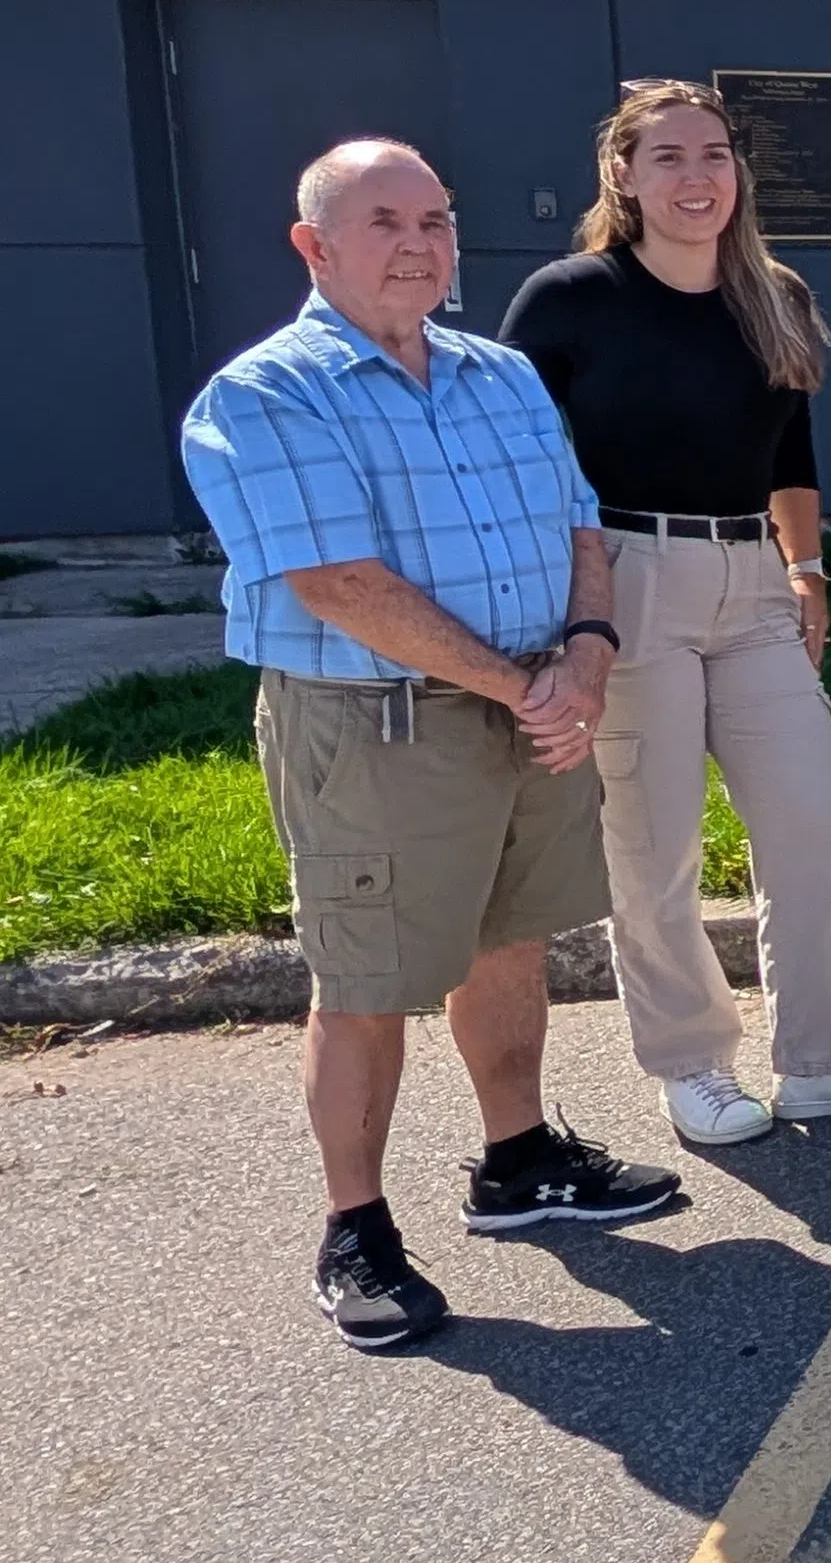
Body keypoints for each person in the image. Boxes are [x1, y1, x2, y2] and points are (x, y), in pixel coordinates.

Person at [180, 139, 681, 1353]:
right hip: (378, 725)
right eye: (386, 223)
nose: (420, 247)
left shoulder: (499, 375)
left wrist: (586, 657)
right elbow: (339, 583)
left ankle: (519, 1159)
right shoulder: (267, 395)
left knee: (509, 938)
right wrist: (528, 686)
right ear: (313, 247)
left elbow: (581, 527)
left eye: (436, 222)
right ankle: (356, 1230)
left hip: (531, 707)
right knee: (367, 981)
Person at [502, 82, 831, 1148]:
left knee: (814, 829)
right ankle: (691, 1065)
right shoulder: (568, 299)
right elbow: (517, 464)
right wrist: (570, 611)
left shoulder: (772, 294)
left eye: (714, 155)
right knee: (654, 849)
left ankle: (824, 1062)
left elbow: (791, 451)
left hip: (752, 579)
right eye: (668, 157)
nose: (696, 178)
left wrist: (808, 570)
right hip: (623, 577)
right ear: (623, 175)